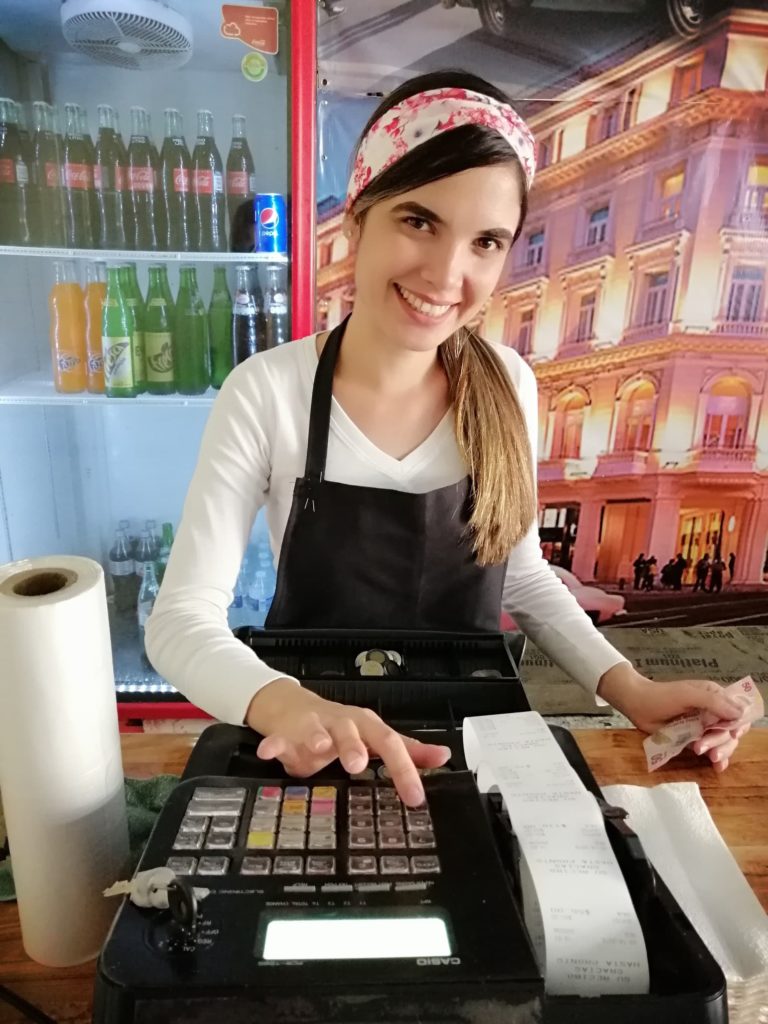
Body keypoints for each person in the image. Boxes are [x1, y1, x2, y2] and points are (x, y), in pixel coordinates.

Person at [146, 70, 750, 806]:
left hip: (478, 742)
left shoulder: (509, 384)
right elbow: (179, 622)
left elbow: (521, 576)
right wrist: (282, 704)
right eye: (419, 221)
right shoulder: (267, 391)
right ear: (358, 221)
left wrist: (633, 691)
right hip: (314, 744)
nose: (446, 275)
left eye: (486, 241)